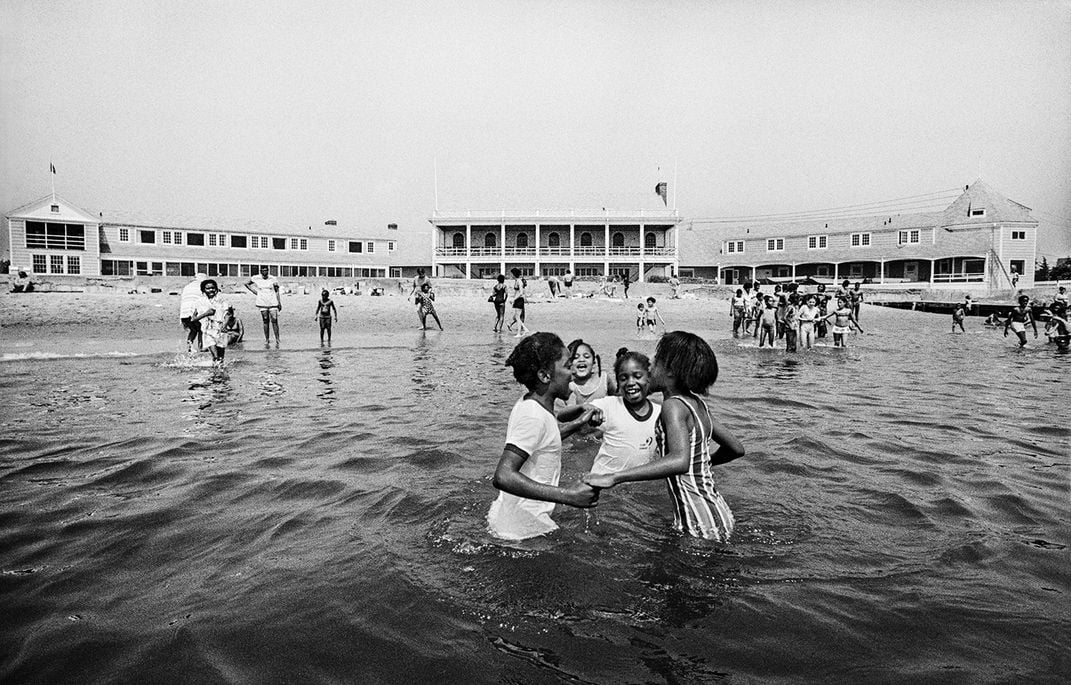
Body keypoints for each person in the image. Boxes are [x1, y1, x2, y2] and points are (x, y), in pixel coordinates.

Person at [584, 331, 745, 541]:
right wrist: (700, 465)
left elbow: (679, 461)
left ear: (670, 372)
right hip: (718, 511)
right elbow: (736, 449)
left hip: (698, 520)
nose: (649, 367)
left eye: (655, 362)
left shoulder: (672, 406)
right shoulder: (697, 404)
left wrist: (615, 477)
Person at [487, 332, 600, 540]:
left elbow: (546, 439)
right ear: (545, 375)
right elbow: (503, 476)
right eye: (567, 366)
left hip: (515, 521)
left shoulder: (533, 405)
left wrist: (579, 423)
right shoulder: (533, 416)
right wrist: (569, 496)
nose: (573, 372)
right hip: (522, 531)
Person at [584, 348, 662, 475]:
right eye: (623, 378)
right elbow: (563, 416)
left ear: (649, 378)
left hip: (635, 484)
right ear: (618, 383)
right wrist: (585, 408)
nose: (631, 382)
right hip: (603, 481)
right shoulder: (609, 405)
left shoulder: (660, 413)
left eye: (637, 376)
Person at [190, 279, 234, 363]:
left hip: (221, 329)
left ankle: (218, 373)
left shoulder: (222, 300)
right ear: (203, 290)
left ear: (216, 289)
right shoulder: (199, 302)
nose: (211, 290)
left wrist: (224, 326)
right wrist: (206, 314)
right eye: (208, 288)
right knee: (215, 355)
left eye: (213, 288)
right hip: (208, 330)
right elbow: (193, 319)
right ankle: (216, 371)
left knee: (221, 357)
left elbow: (228, 314)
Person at [565, 339, 615, 405]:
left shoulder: (603, 379)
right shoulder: (568, 385)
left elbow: (618, 400)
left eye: (586, 356)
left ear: (593, 361)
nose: (581, 360)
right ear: (569, 363)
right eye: (575, 357)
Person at [245, 266, 281, 345]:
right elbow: (247, 284)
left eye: (266, 270)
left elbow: (277, 291)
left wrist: (279, 302)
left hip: (272, 301)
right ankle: (267, 339)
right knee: (265, 320)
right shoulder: (256, 278)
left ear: (268, 271)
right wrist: (256, 292)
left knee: (274, 319)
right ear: (260, 271)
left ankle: (277, 339)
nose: (264, 272)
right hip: (262, 301)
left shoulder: (273, 278)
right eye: (263, 271)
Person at [179, 272, 207, 351]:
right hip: (194, 311)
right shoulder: (202, 286)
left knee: (193, 330)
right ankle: (201, 347)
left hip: (184, 312)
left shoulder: (187, 286)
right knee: (201, 328)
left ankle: (189, 347)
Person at [507, 268, 530, 337]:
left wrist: (514, 299)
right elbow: (516, 292)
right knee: (517, 317)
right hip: (517, 300)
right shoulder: (516, 281)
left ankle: (519, 333)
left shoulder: (519, 281)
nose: (510, 275)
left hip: (519, 300)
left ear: (514, 274)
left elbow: (521, 292)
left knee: (517, 317)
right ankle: (523, 330)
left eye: (511, 274)